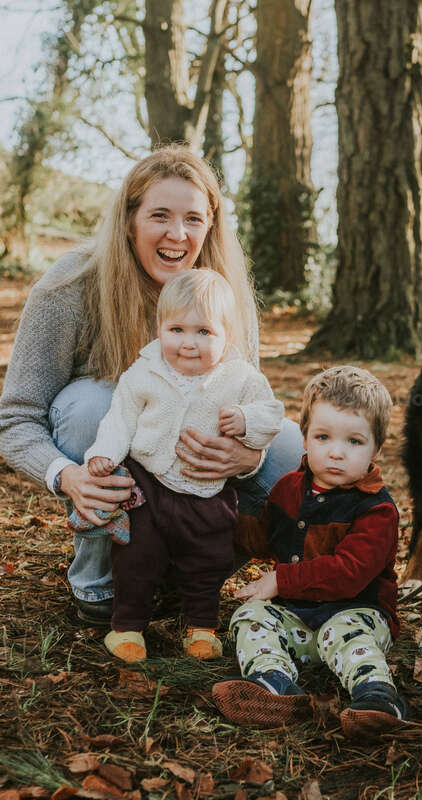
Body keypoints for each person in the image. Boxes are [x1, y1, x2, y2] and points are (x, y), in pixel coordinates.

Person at [0, 145, 305, 626]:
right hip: (119, 463)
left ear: (211, 226)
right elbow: (16, 418)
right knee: (92, 406)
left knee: (289, 445)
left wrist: (252, 455)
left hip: (196, 482)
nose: (177, 235)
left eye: (193, 219)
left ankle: (187, 577)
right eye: (159, 215)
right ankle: (102, 581)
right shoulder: (71, 286)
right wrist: (66, 475)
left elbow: (249, 397)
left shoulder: (225, 294)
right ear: (129, 221)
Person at [80, 269, 285, 662]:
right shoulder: (146, 371)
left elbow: (271, 414)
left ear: (227, 335)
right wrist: (103, 453)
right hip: (149, 482)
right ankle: (127, 627)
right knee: (136, 555)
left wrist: (247, 420)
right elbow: (120, 417)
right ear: (160, 329)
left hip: (208, 489)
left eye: (204, 332)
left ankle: (202, 627)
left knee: (208, 559)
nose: (188, 343)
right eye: (176, 330)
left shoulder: (240, 377)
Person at [212, 366, 408, 737]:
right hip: (298, 620)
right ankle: (274, 684)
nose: (336, 453)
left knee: (345, 632)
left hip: (358, 613)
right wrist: (222, 517)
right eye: (323, 437)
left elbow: (349, 572)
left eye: (354, 441)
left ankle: (377, 696)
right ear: (304, 438)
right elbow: (266, 539)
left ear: (377, 449)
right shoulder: (289, 489)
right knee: (250, 616)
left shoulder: (377, 511)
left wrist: (282, 579)